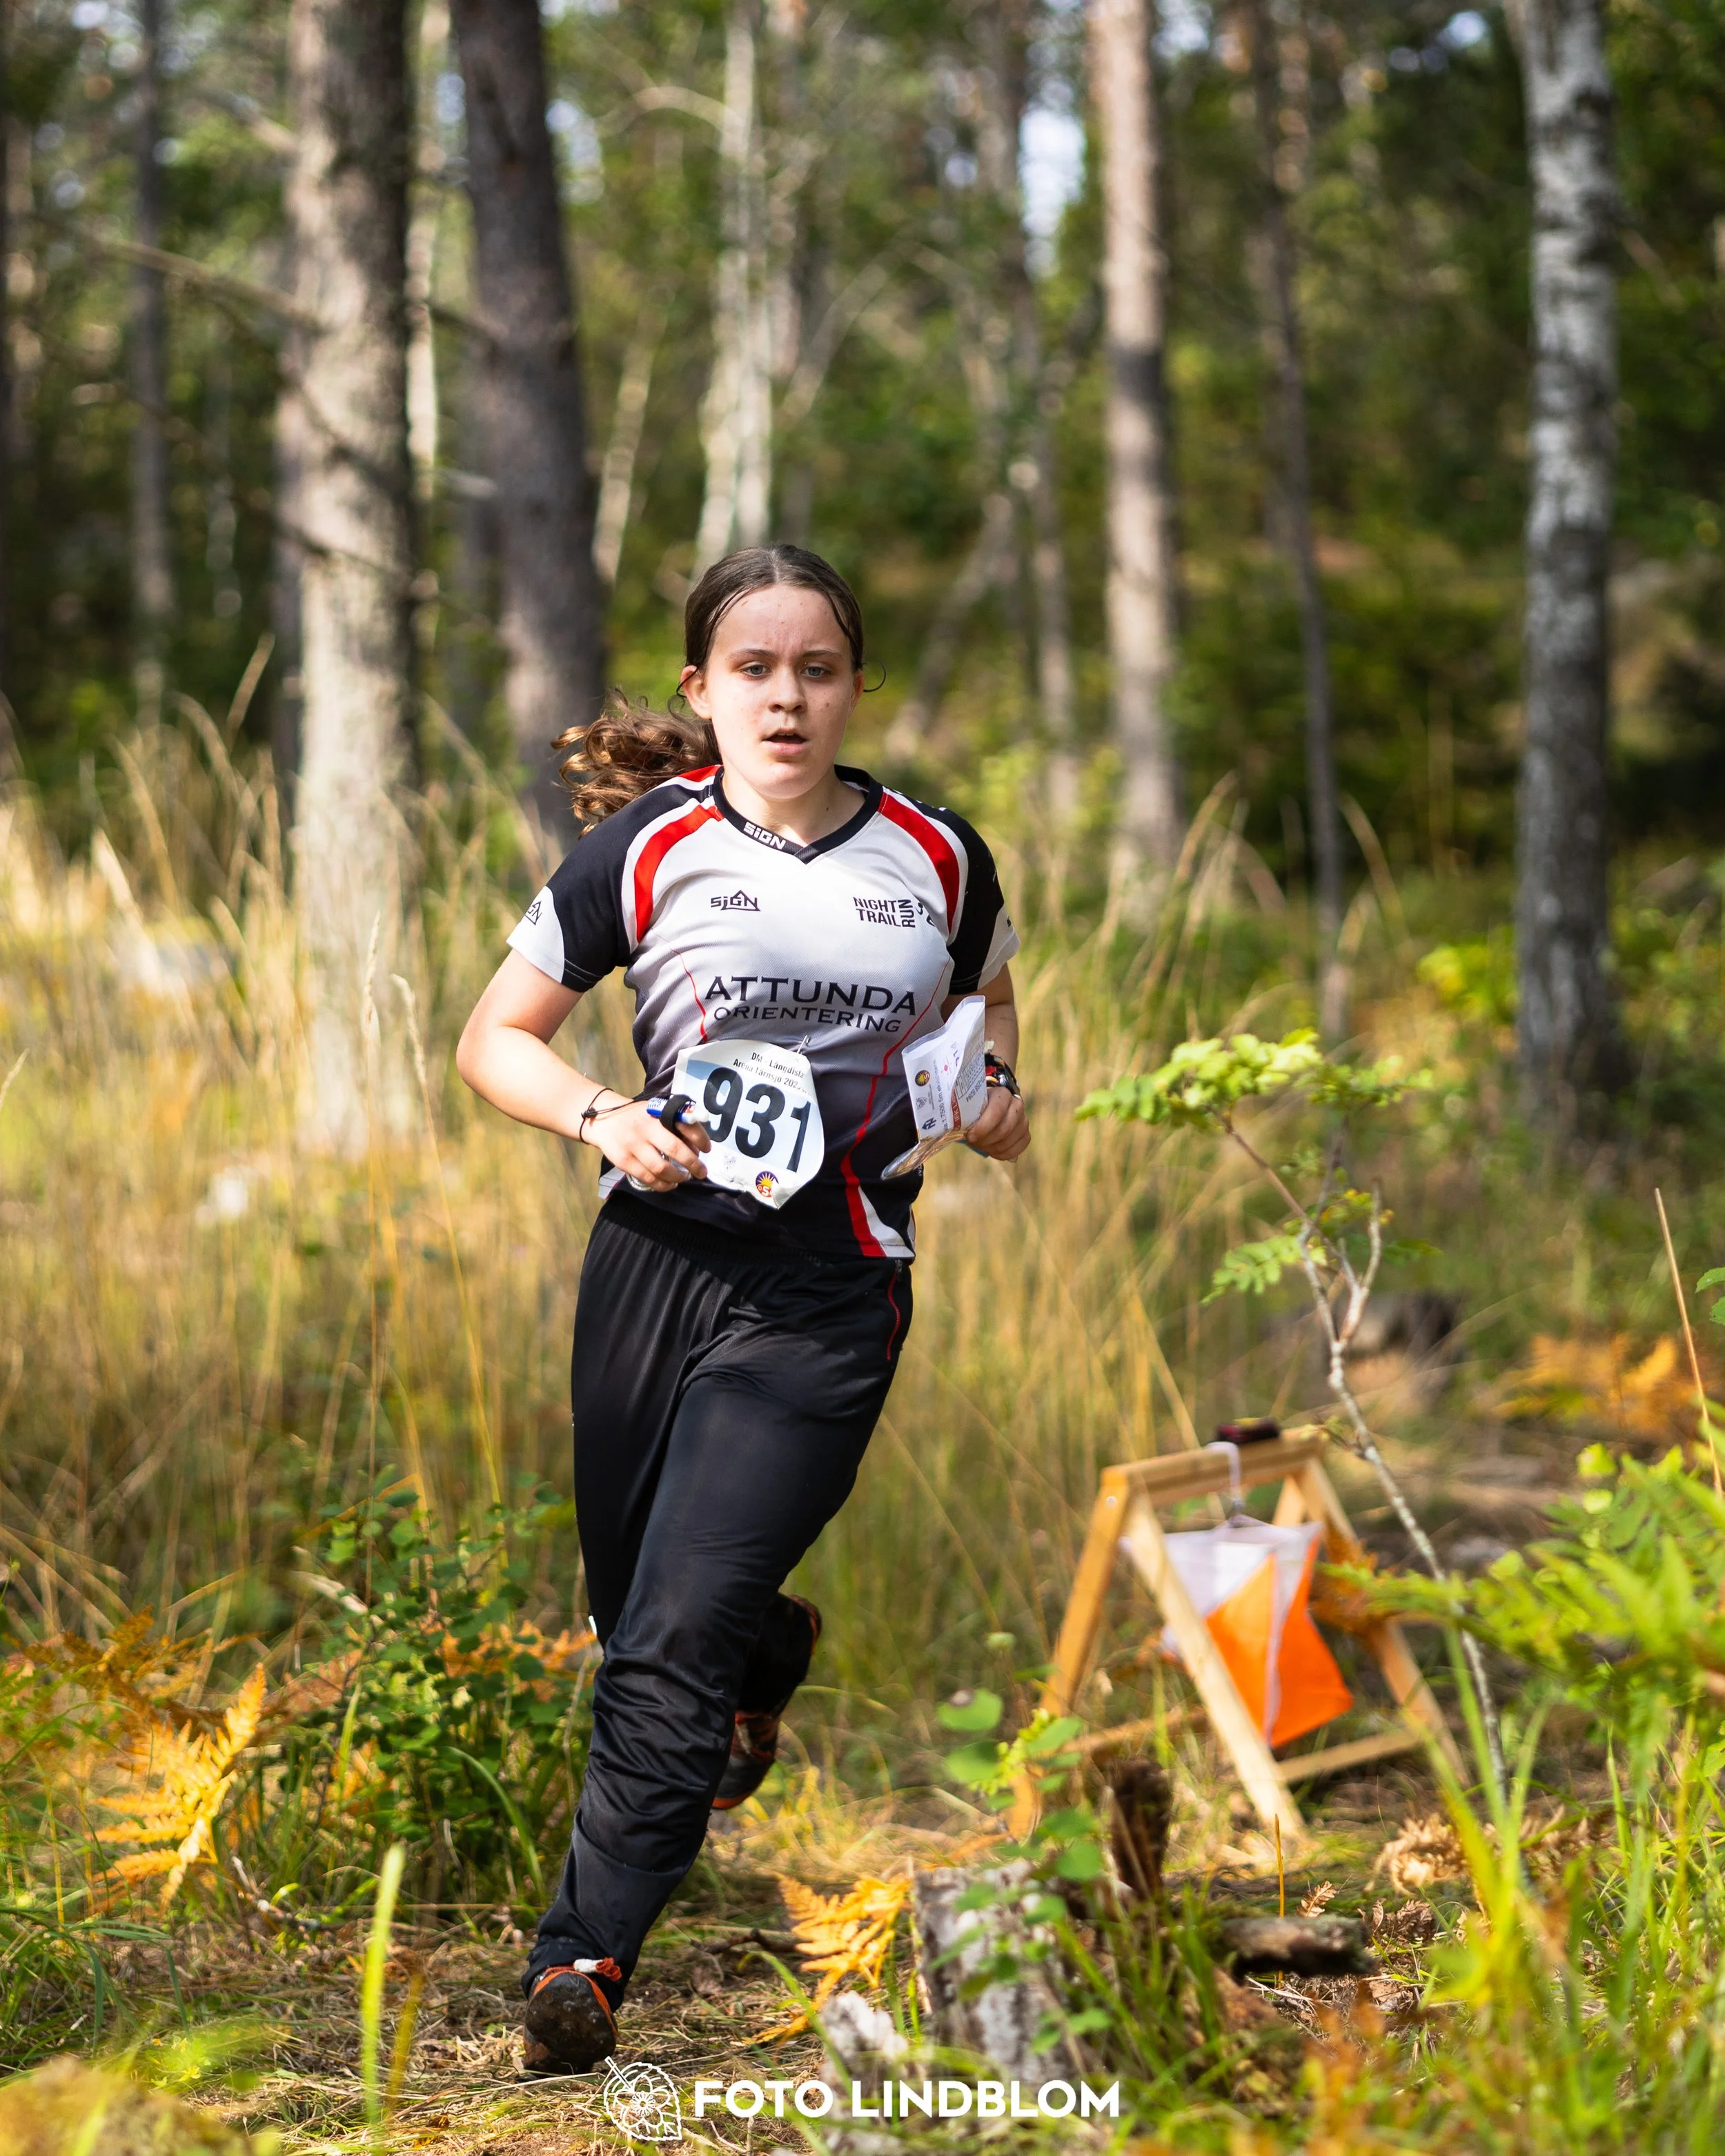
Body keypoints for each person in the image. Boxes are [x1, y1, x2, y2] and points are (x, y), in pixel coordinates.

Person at [455, 543, 1030, 2075]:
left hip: (831, 1284)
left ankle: (580, 1959)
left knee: (667, 1628)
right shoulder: (641, 851)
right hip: (654, 1260)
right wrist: (595, 1115)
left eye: (818, 666)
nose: (788, 695)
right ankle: (760, 1662)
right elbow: (493, 1039)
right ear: (702, 690)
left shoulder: (939, 855)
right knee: (640, 1603)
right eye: (755, 668)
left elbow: (994, 1054)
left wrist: (993, 1108)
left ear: (853, 683)